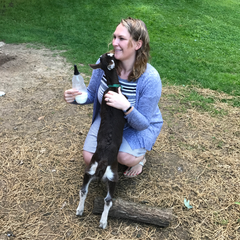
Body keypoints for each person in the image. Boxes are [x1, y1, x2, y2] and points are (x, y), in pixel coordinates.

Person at [64, 17, 163, 178]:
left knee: (124, 157)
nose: (115, 43)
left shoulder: (150, 78)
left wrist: (126, 106)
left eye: (122, 39)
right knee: (90, 158)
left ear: (138, 44)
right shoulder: (104, 62)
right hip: (109, 119)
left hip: (135, 124)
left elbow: (143, 123)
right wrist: (75, 97)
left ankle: (140, 158)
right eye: (114, 37)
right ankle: (122, 148)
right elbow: (91, 94)